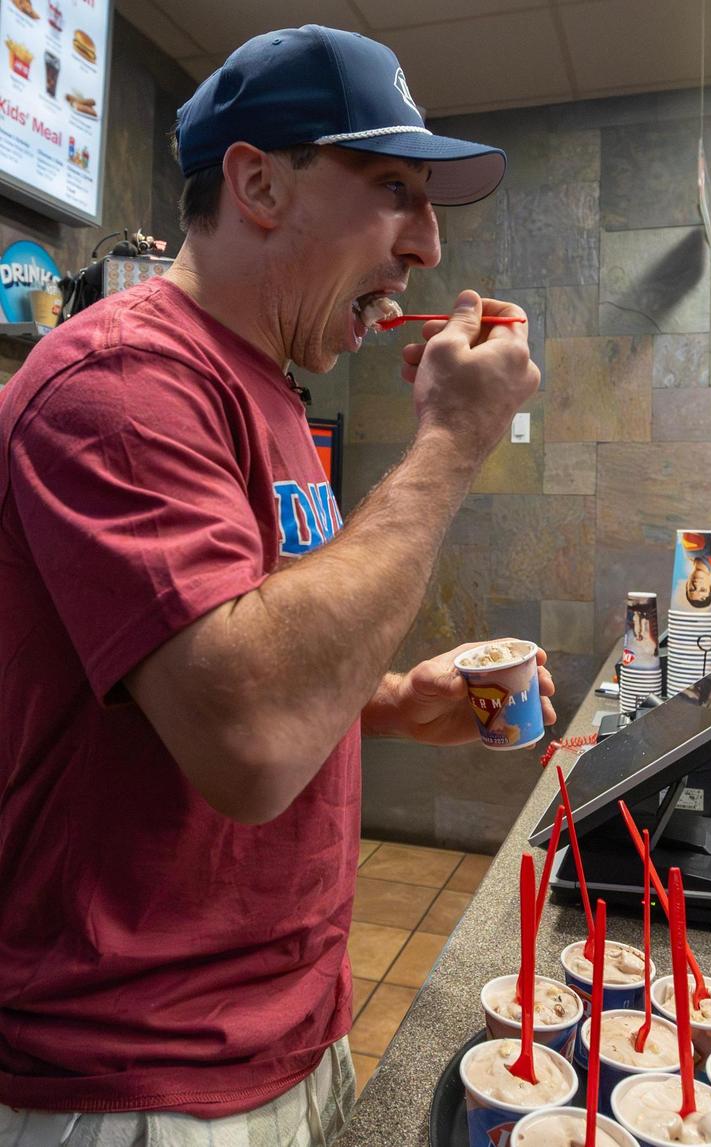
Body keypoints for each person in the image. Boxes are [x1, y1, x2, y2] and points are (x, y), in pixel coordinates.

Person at [0, 25, 555, 1143]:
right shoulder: (122, 383)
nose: (429, 246)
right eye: (394, 189)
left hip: (285, 1034)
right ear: (257, 181)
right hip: (136, 1076)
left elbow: (234, 643)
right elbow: (249, 735)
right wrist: (450, 441)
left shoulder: (267, 390)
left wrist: (388, 697)